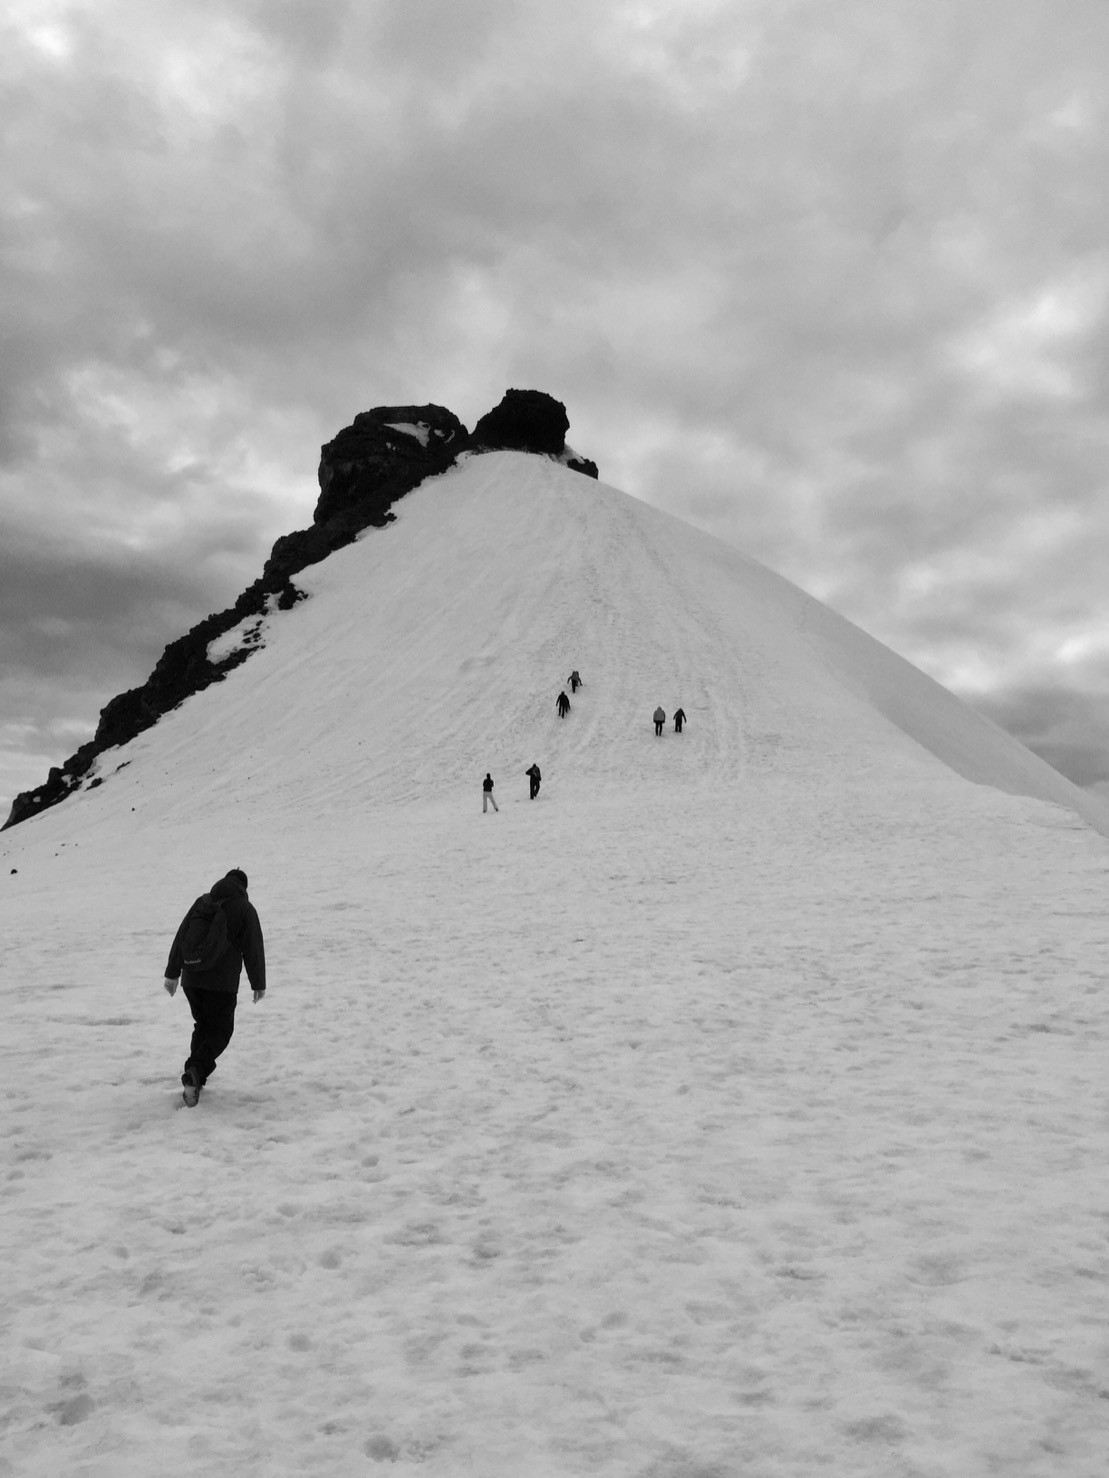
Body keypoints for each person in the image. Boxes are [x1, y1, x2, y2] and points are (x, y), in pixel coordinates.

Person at [163, 868, 265, 1107]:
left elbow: (182, 935)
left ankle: (195, 1081)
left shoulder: (202, 902)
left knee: (203, 1026)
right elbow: (253, 947)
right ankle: (195, 1071)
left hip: (192, 979)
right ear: (243, 888)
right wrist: (258, 983)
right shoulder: (244, 909)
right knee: (220, 1031)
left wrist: (172, 973)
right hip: (221, 983)